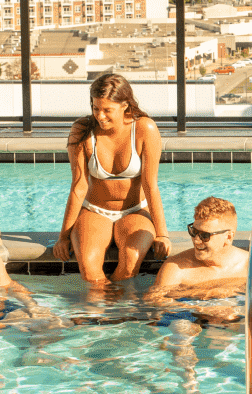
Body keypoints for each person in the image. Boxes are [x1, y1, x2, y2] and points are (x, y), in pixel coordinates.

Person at [52, 73, 172, 285]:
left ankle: (116, 315)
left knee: (129, 264)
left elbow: (150, 185)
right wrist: (63, 237)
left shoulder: (145, 129)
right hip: (95, 210)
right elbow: (79, 186)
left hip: (134, 211)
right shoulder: (82, 131)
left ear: (125, 105)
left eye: (107, 110)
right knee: (89, 271)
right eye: (96, 108)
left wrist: (162, 234)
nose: (100, 116)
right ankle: (105, 313)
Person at [151, 196, 252, 293]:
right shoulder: (177, 268)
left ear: (228, 237)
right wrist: (205, 306)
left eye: (205, 235)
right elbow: (156, 303)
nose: (196, 240)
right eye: (193, 231)